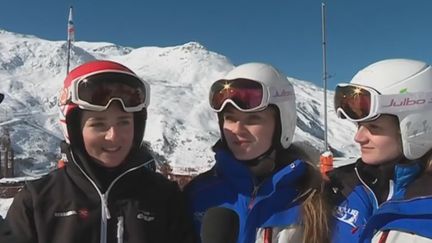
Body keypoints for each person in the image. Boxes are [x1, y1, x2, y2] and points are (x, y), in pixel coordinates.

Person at [5, 60, 195, 243]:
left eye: (124, 122)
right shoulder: (37, 201)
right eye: (98, 124)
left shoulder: (164, 197)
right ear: (74, 129)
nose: (113, 136)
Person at [184, 63, 331, 243]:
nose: (238, 129)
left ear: (282, 124)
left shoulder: (311, 198)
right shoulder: (198, 193)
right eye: (230, 118)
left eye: (253, 118)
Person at [329, 58, 432, 243]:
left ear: (414, 128)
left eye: (374, 128)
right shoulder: (340, 187)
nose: (358, 137)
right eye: (358, 125)